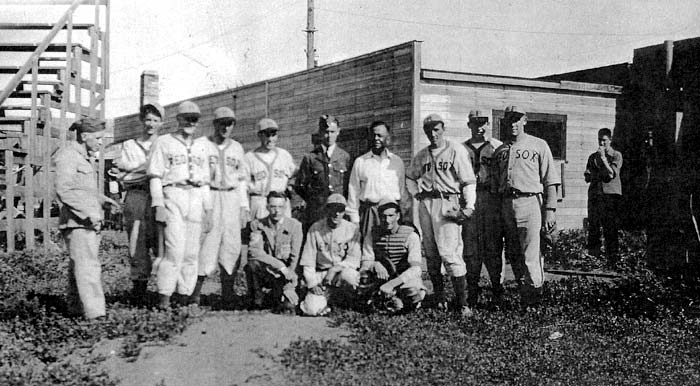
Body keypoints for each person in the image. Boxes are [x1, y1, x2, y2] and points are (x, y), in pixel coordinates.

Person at [406, 114, 477, 317]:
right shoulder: (422, 155)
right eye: (429, 130)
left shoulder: (455, 150)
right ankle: (440, 298)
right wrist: (416, 194)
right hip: (427, 203)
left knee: (450, 253)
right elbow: (410, 177)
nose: (433, 133)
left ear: (443, 129)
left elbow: (468, 181)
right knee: (431, 252)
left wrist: (469, 206)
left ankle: (463, 304)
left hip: (448, 202)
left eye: (436, 129)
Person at [147, 101, 215, 309]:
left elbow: (204, 181)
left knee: (192, 251)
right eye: (186, 118)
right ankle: (165, 296)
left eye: (194, 119)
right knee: (174, 250)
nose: (190, 123)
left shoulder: (202, 145)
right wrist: (158, 204)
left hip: (195, 195)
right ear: (178, 119)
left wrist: (209, 210)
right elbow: (155, 176)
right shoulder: (164, 142)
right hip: (173, 193)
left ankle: (184, 295)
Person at [492, 106, 560, 310]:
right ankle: (524, 296)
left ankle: (534, 301)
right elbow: (496, 184)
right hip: (506, 203)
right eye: (509, 120)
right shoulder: (501, 150)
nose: (513, 124)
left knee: (531, 253)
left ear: (525, 120)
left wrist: (550, 210)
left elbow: (551, 180)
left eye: (517, 119)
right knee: (514, 253)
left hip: (529, 201)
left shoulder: (538, 145)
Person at [54, 118, 120, 319]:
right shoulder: (68, 157)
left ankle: (75, 311)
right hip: (78, 223)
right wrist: (88, 213)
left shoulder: (80, 157)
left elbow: (81, 189)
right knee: (88, 267)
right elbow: (63, 190)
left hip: (83, 221)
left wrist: (102, 200)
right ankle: (96, 315)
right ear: (84, 136)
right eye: (98, 139)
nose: (101, 143)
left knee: (79, 267)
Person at [192, 107, 250, 307]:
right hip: (211, 194)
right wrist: (206, 207)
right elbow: (199, 178)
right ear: (214, 124)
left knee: (232, 244)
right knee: (208, 243)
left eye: (230, 123)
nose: (225, 127)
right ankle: (195, 294)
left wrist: (244, 206)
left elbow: (242, 180)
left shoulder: (237, 148)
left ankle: (228, 293)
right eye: (221, 123)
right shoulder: (202, 144)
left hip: (232, 197)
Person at [113, 102, 164, 304]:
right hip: (137, 196)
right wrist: (151, 170)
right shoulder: (130, 145)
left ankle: (164, 291)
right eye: (148, 119)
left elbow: (166, 174)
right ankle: (139, 292)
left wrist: (136, 170)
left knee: (163, 241)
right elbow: (123, 176)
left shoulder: (165, 143)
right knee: (137, 242)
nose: (151, 124)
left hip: (161, 198)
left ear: (161, 123)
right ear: (142, 121)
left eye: (155, 120)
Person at [461, 110, 505, 308]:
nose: (479, 127)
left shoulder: (497, 147)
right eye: (475, 123)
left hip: (490, 200)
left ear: (488, 124)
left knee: (493, 247)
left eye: (483, 123)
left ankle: (497, 292)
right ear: (469, 124)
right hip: (470, 200)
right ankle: (472, 294)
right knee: (471, 248)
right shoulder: (461, 149)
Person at [359, 198, 426, 313]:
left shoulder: (410, 235)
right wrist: (374, 264)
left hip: (404, 277)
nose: (387, 220)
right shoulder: (372, 234)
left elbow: (416, 268)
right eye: (383, 216)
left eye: (391, 215)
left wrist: (393, 283)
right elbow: (366, 260)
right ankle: (385, 301)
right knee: (362, 280)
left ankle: (393, 301)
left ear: (398, 216)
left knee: (412, 292)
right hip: (382, 276)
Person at [299, 194, 361, 316]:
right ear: (326, 210)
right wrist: (312, 283)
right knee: (311, 309)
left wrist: (334, 269)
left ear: (344, 212)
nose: (336, 214)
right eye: (333, 209)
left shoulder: (352, 229)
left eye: (340, 210)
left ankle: (341, 301)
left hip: (340, 273)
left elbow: (354, 259)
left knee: (351, 276)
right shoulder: (316, 228)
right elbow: (308, 259)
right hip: (321, 274)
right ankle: (326, 301)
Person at [245, 191, 303, 313]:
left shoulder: (295, 226)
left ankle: (280, 294)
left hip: (286, 275)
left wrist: (289, 286)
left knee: (288, 307)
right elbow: (254, 252)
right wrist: (280, 266)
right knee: (252, 264)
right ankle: (257, 297)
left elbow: (294, 258)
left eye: (280, 207)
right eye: (273, 207)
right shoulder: (258, 225)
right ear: (267, 207)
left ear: (286, 207)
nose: (277, 211)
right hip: (268, 270)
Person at [347, 121, 405, 243]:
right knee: (368, 249)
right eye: (373, 135)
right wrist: (355, 221)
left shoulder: (397, 162)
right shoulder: (360, 161)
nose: (376, 139)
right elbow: (353, 192)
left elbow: (402, 191)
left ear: (388, 137)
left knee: (390, 249)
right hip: (370, 214)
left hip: (391, 214)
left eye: (380, 135)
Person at [295, 114, 351, 231]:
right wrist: (314, 200)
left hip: (338, 212)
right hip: (317, 212)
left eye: (332, 131)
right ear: (320, 133)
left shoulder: (345, 157)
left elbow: (349, 186)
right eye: (326, 132)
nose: (329, 135)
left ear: (338, 132)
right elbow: (300, 185)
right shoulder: (310, 157)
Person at [244, 118, 296, 220]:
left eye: (274, 135)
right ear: (259, 135)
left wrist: (290, 186)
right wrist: (245, 208)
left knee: (283, 232)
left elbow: (294, 174)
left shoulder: (284, 155)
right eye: (267, 135)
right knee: (258, 233)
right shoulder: (249, 157)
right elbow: (243, 186)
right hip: (260, 200)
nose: (270, 139)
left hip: (280, 201)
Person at [584, 127, 623, 261]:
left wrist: (603, 159)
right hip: (596, 194)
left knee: (610, 225)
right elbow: (588, 176)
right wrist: (590, 173)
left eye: (604, 140)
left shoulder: (616, 155)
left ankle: (612, 257)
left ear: (610, 140)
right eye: (599, 140)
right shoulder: (592, 157)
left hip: (610, 195)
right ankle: (593, 255)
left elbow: (611, 174)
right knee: (594, 224)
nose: (601, 143)